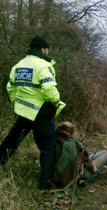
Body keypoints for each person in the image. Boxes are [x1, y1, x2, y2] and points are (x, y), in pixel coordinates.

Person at [0, 35, 65, 190]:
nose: (47, 52)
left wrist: (16, 101)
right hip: (41, 112)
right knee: (48, 146)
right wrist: (57, 102)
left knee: (12, 139)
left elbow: (11, 87)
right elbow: (49, 88)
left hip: (23, 112)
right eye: (46, 49)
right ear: (42, 49)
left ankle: (1, 162)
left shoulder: (18, 65)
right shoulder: (43, 65)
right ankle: (45, 183)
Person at [49, 121, 107, 191]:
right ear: (71, 132)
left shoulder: (57, 139)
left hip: (68, 170)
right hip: (78, 175)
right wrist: (91, 167)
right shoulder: (70, 144)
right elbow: (77, 166)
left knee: (103, 152)